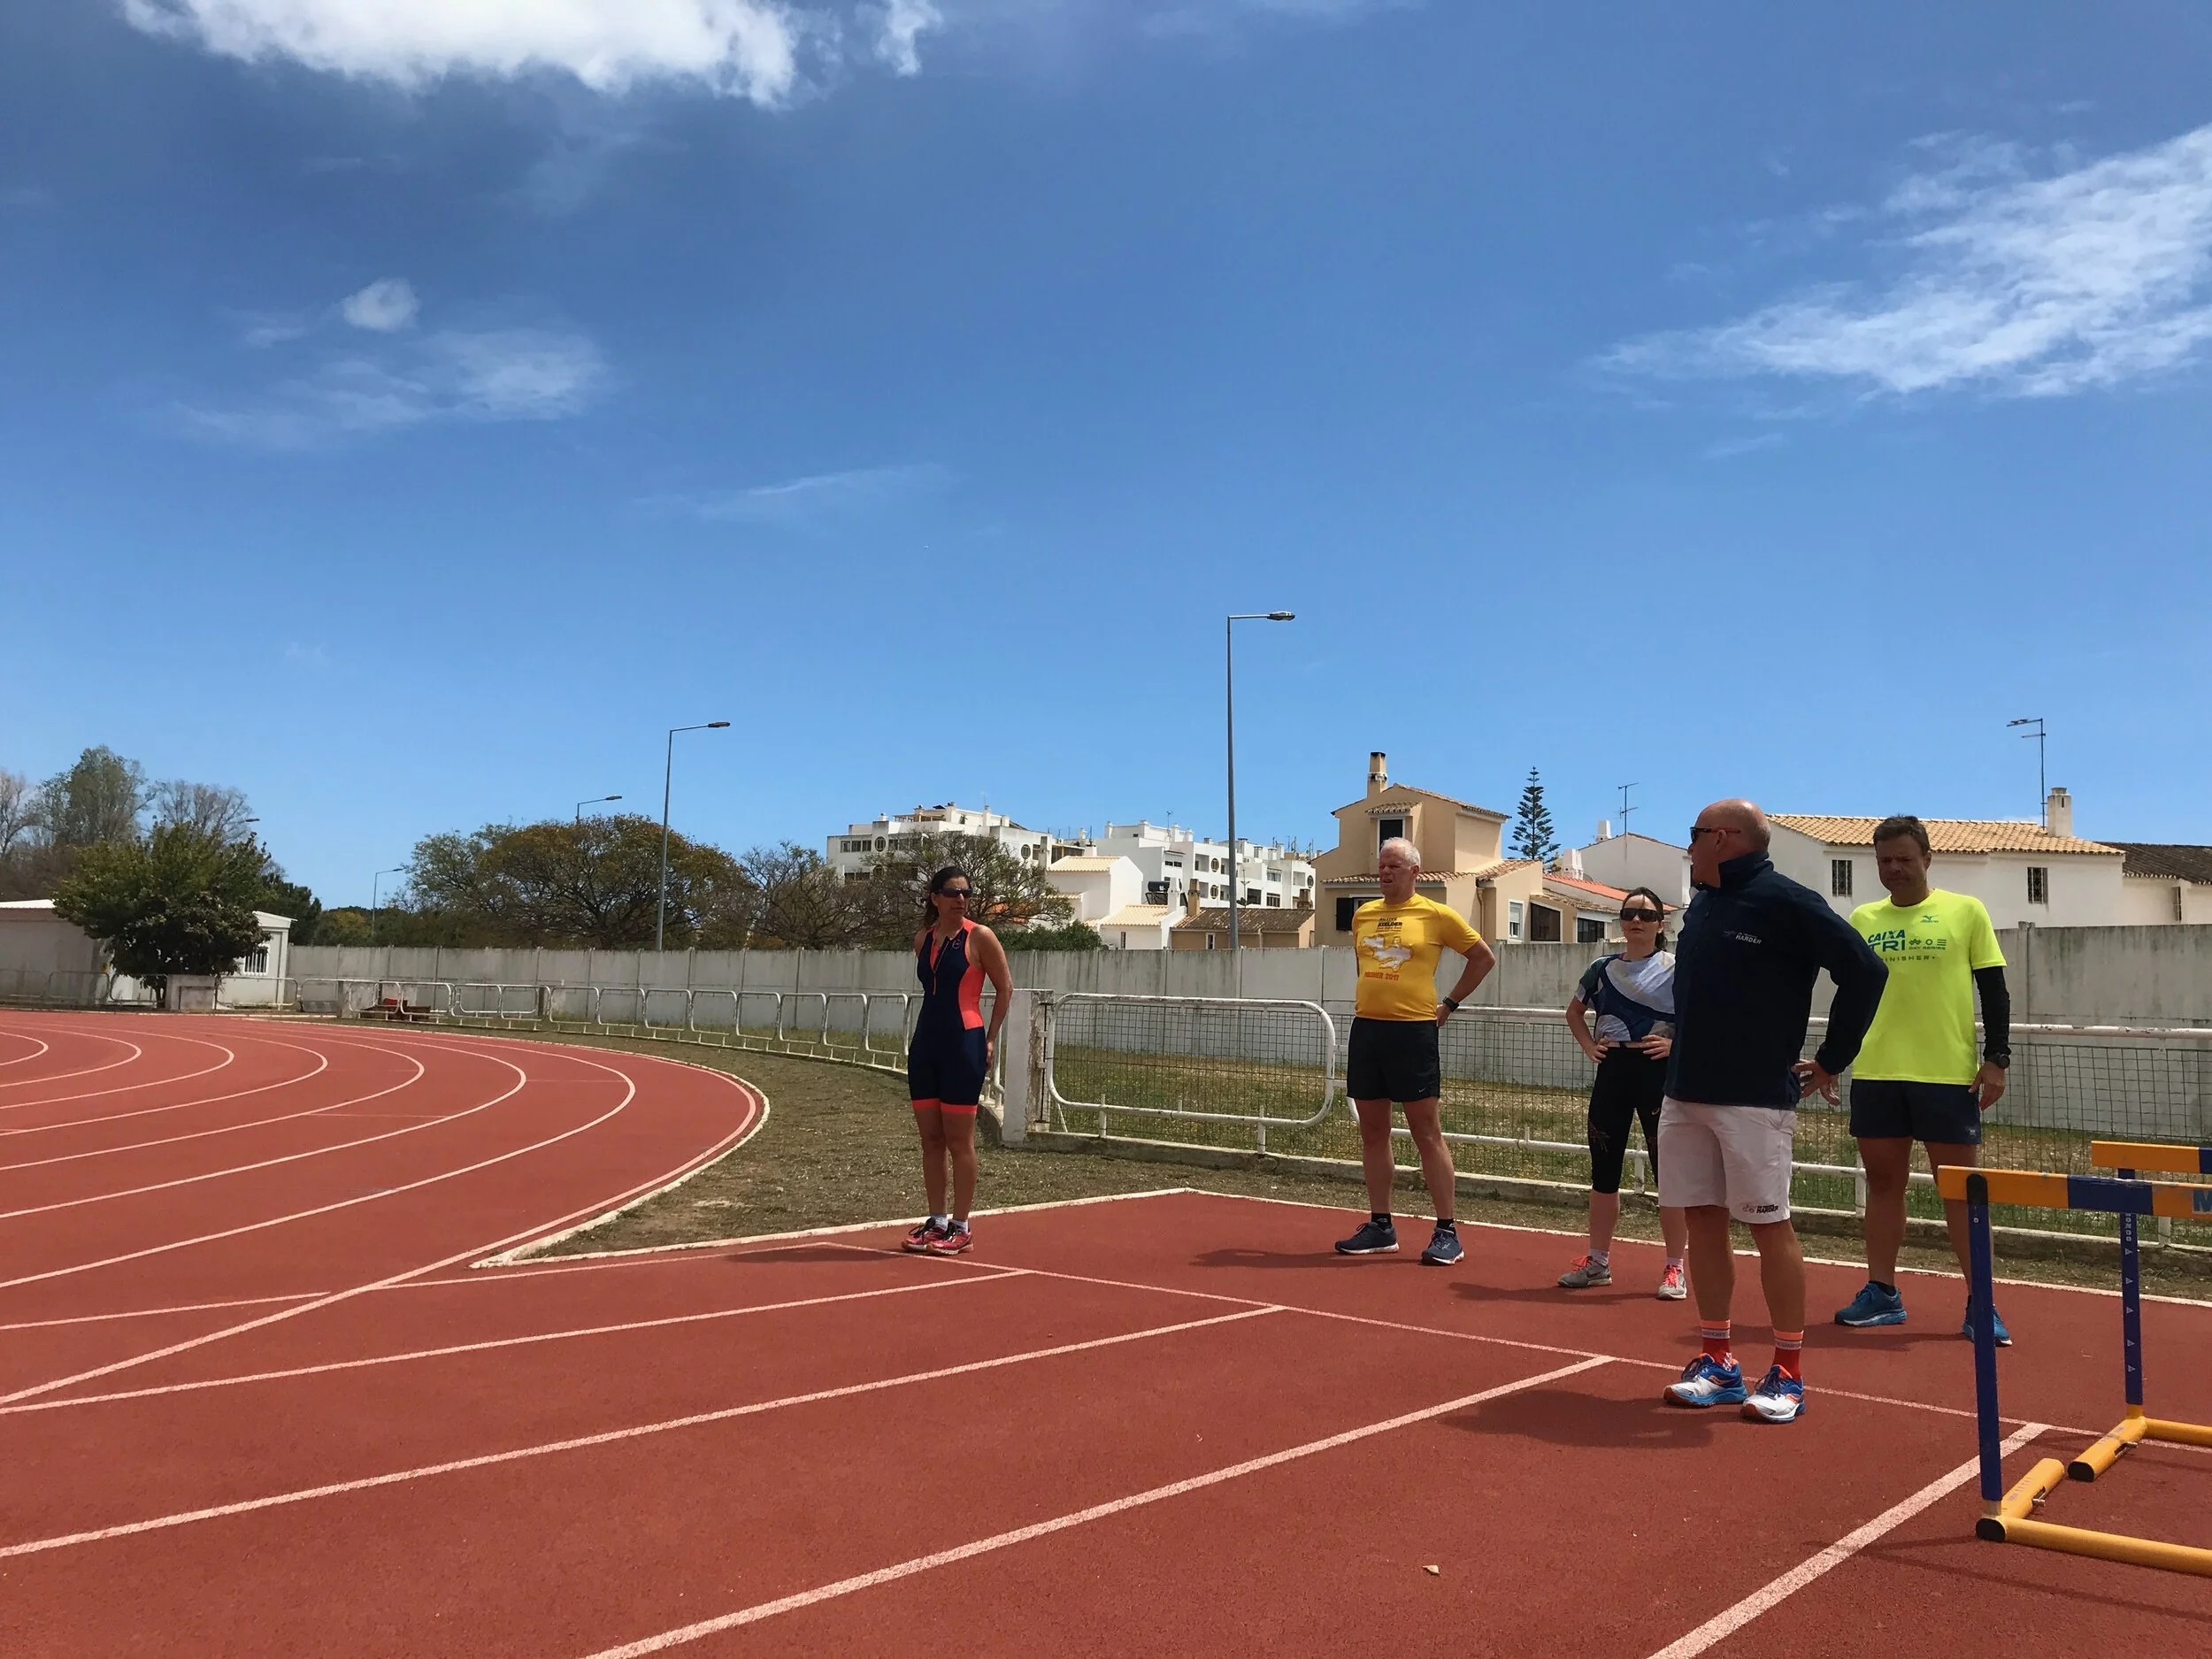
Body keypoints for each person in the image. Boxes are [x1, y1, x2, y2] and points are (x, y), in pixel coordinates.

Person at [1659, 801, 1887, 1425]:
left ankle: (1788, 1370)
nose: (1689, 846)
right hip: (1685, 1090)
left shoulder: (1787, 901)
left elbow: (1866, 971)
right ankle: (1717, 1362)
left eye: (1694, 834)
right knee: (1702, 1219)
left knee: (1768, 1225)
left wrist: (1832, 1058)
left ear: (1723, 838)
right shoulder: (1703, 904)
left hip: (1754, 1097)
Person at [1832, 816, 2015, 1343]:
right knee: (1883, 1185)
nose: (1894, 868)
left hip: (1947, 1076)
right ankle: (1882, 1292)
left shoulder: (1966, 911)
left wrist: (1997, 1057)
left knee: (1959, 1190)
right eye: (1884, 860)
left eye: (1904, 859)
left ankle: (1982, 1302)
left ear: (1928, 859)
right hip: (1877, 1072)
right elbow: (1850, 997)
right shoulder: (1864, 918)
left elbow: (1994, 991)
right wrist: (1833, 1058)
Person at [1334, 837, 1499, 1266]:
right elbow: (1364, 966)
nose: (1385, 872)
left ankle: (1447, 1231)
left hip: (1413, 1032)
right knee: (1372, 1131)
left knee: (1427, 1131)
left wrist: (1450, 1004)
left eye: (1393, 865)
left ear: (1414, 872)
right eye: (1381, 866)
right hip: (1368, 1029)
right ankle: (1381, 1226)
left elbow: (1483, 958)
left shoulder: (1436, 914)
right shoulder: (1364, 915)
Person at [1559, 887, 1691, 1298]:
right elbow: (1574, 1012)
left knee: (1669, 1176)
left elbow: (1702, 1017)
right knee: (1604, 1173)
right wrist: (1588, 1046)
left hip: (1657, 1074)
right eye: (1630, 913)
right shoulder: (1600, 969)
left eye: (1646, 915)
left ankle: (1675, 1268)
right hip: (1612, 1072)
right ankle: (1597, 1262)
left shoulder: (1677, 968)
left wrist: (1674, 1045)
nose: (1637, 920)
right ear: (1620, 920)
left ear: (1660, 925)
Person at [902, 866, 1012, 1256]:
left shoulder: (980, 936)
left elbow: (1005, 989)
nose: (960, 899)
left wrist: (990, 1038)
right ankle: (937, 1220)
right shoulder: (923, 939)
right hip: (925, 1045)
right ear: (934, 898)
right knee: (931, 1139)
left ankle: (962, 1226)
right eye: (951, 892)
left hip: (964, 1044)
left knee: (959, 1140)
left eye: (966, 892)